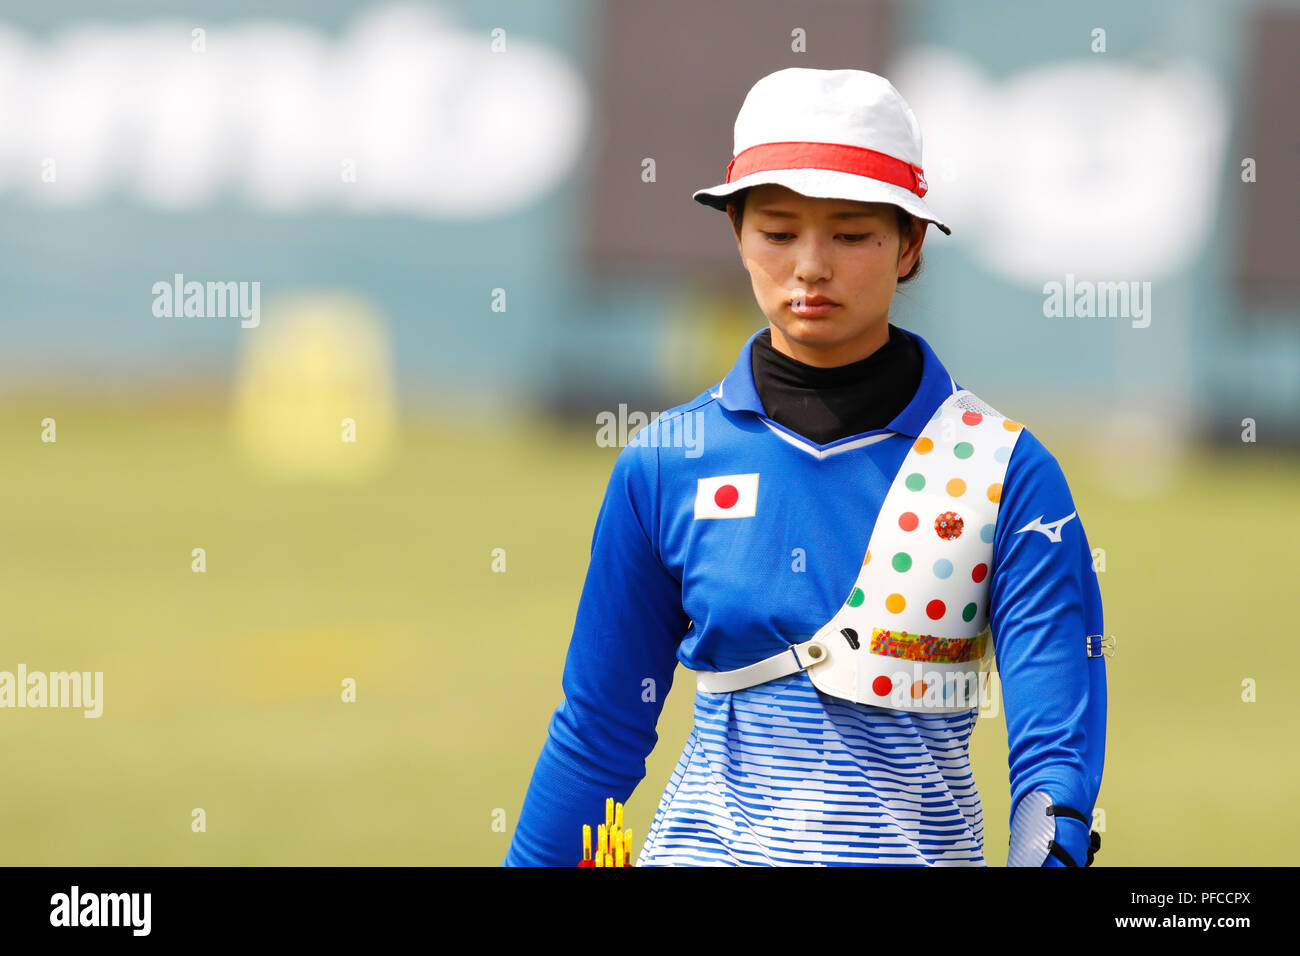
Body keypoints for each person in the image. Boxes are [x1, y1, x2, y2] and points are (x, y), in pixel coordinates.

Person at [503, 67, 1106, 867]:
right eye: (778, 232)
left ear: (911, 242)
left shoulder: (1008, 472)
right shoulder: (664, 462)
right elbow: (599, 733)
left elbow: (1053, 758)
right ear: (737, 235)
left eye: (852, 234)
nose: (811, 267)